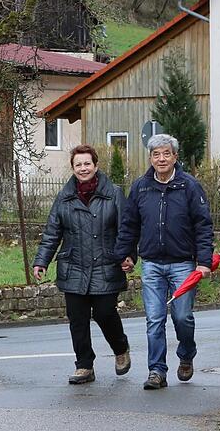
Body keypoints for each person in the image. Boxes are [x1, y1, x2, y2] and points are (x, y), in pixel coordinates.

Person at [115, 133, 214, 390]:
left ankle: (186, 354)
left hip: (182, 263)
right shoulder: (140, 187)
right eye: (156, 154)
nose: (161, 159)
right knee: (154, 319)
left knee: (182, 317)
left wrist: (203, 262)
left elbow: (203, 226)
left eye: (166, 154)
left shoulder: (189, 186)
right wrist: (126, 254)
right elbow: (129, 225)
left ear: (175, 157)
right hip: (152, 264)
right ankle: (156, 371)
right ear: (150, 158)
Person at [33, 144, 132, 385]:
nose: (83, 168)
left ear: (96, 166)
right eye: (78, 164)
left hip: (106, 263)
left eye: (87, 163)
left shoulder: (114, 193)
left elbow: (126, 229)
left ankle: (121, 348)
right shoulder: (64, 197)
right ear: (73, 168)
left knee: (104, 312)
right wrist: (41, 260)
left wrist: (128, 255)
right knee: (77, 318)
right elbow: (52, 232)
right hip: (74, 265)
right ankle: (84, 365)